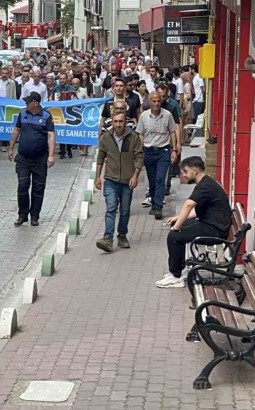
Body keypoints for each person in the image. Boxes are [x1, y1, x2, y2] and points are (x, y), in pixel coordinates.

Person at [157, 156, 231, 288]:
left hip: (215, 230)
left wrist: (177, 227)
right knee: (179, 229)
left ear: (195, 171)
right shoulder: (206, 183)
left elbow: (188, 204)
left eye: (185, 171)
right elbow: (198, 211)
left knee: (174, 236)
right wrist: (178, 219)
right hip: (212, 225)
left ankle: (176, 277)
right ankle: (179, 270)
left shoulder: (205, 186)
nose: (184, 175)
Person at [94, 111, 144, 253]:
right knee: (110, 209)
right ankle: (108, 239)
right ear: (112, 122)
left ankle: (122, 235)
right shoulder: (106, 138)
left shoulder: (133, 137)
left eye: (120, 121)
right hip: (110, 179)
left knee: (125, 210)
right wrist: (98, 177)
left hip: (127, 180)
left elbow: (139, 157)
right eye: (115, 121)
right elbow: (100, 158)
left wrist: (135, 176)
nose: (118, 125)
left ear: (125, 122)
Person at [7, 92, 55, 227]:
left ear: (36, 103)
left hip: (40, 158)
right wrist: (11, 148)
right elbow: (16, 131)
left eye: (28, 101)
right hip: (23, 157)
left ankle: (35, 216)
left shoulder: (46, 116)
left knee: (38, 188)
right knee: (23, 185)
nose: (25, 104)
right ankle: (22, 214)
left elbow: (51, 136)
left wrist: (51, 156)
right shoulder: (22, 114)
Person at [135, 92, 179, 220]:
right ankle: (154, 202)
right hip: (149, 151)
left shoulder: (167, 115)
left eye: (158, 101)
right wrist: (139, 151)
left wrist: (174, 149)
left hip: (163, 151)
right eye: (153, 101)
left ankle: (159, 206)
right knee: (152, 179)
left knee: (161, 178)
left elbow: (172, 131)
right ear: (149, 102)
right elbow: (141, 134)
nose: (156, 104)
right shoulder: (144, 116)